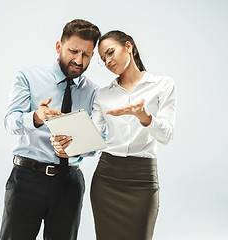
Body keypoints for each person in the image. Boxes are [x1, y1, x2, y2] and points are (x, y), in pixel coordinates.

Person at [0, 19, 101, 240]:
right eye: (73, 51)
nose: (78, 60)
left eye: (86, 55)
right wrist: (36, 117)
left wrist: (75, 149)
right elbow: (10, 121)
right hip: (27, 179)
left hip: (69, 182)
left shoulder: (94, 92)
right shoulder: (28, 76)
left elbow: (98, 141)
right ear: (59, 47)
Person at [90, 30, 176, 240]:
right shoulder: (102, 94)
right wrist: (66, 135)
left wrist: (145, 117)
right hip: (106, 178)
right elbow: (92, 139)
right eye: (103, 59)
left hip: (142, 179)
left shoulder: (163, 85)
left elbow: (166, 136)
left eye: (110, 53)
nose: (108, 61)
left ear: (128, 46)